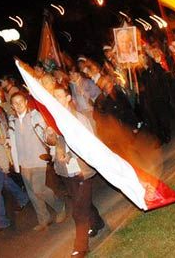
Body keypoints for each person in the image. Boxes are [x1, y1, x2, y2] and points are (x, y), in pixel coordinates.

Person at [50, 87, 105, 257]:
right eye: (54, 96)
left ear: (68, 98)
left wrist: (70, 154)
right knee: (81, 201)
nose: (56, 99)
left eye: (60, 96)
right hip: (66, 171)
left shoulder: (79, 118)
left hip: (82, 168)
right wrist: (51, 140)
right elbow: (52, 142)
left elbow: (88, 142)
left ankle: (80, 247)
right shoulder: (54, 118)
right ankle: (97, 222)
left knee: (78, 210)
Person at [7, 92, 67, 231]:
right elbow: (13, 141)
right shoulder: (12, 121)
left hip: (38, 158)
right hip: (23, 162)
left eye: (21, 101)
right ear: (12, 106)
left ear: (26, 102)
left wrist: (51, 145)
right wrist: (8, 143)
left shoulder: (35, 116)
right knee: (32, 193)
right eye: (15, 103)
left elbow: (46, 134)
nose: (18, 105)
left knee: (38, 189)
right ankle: (43, 219)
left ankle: (59, 206)